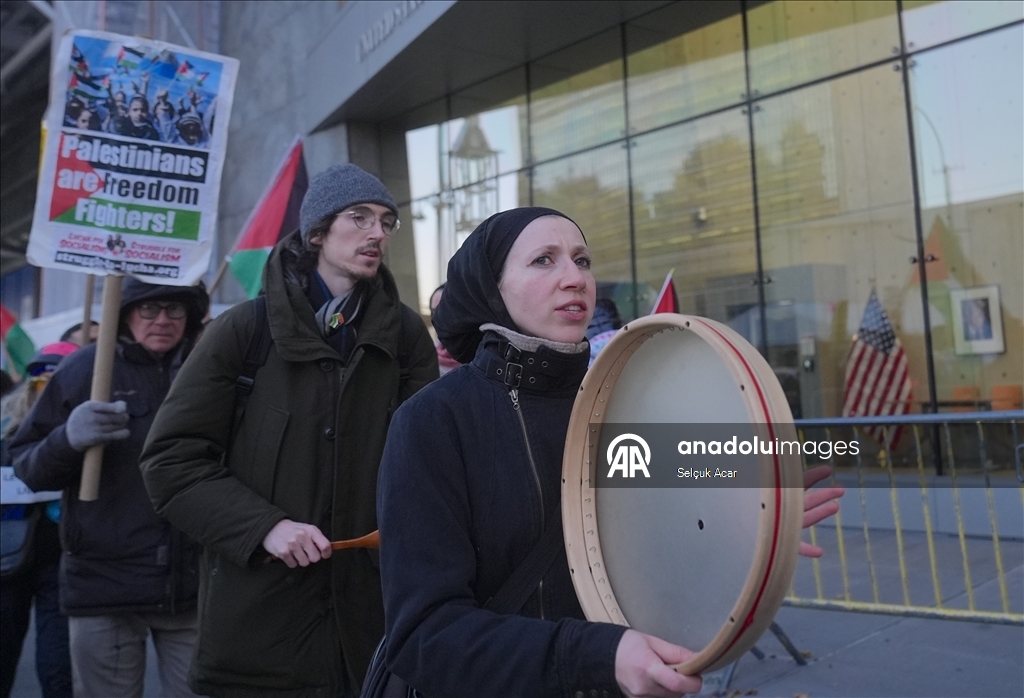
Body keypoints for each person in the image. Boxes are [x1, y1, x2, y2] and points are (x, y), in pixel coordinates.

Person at [377, 207, 845, 697]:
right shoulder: (432, 422)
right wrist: (597, 655)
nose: (574, 278)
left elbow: (648, 549)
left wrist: (746, 534)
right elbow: (424, 638)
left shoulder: (626, 404)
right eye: (544, 260)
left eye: (582, 260)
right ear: (491, 288)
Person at [139, 164, 439, 697]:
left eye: (387, 222)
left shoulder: (408, 335)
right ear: (318, 232)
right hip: (258, 639)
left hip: (373, 632)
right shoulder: (244, 330)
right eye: (360, 217)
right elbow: (171, 463)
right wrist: (264, 528)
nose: (378, 233)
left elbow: (428, 467)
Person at [9, 280, 210, 698]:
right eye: (149, 308)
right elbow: (27, 466)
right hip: (104, 587)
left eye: (175, 310)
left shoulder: (210, 368)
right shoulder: (85, 369)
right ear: (125, 313)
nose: (162, 320)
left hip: (191, 587)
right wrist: (68, 439)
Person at [1, 342, 78, 698]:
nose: (47, 390)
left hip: (62, 560)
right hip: (7, 562)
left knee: (57, 667)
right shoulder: (5, 429)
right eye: (40, 382)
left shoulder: (89, 429)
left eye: (58, 382)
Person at [429, 283, 460, 375]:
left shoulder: (481, 354)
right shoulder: (426, 354)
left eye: (444, 310)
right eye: (434, 312)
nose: (438, 317)